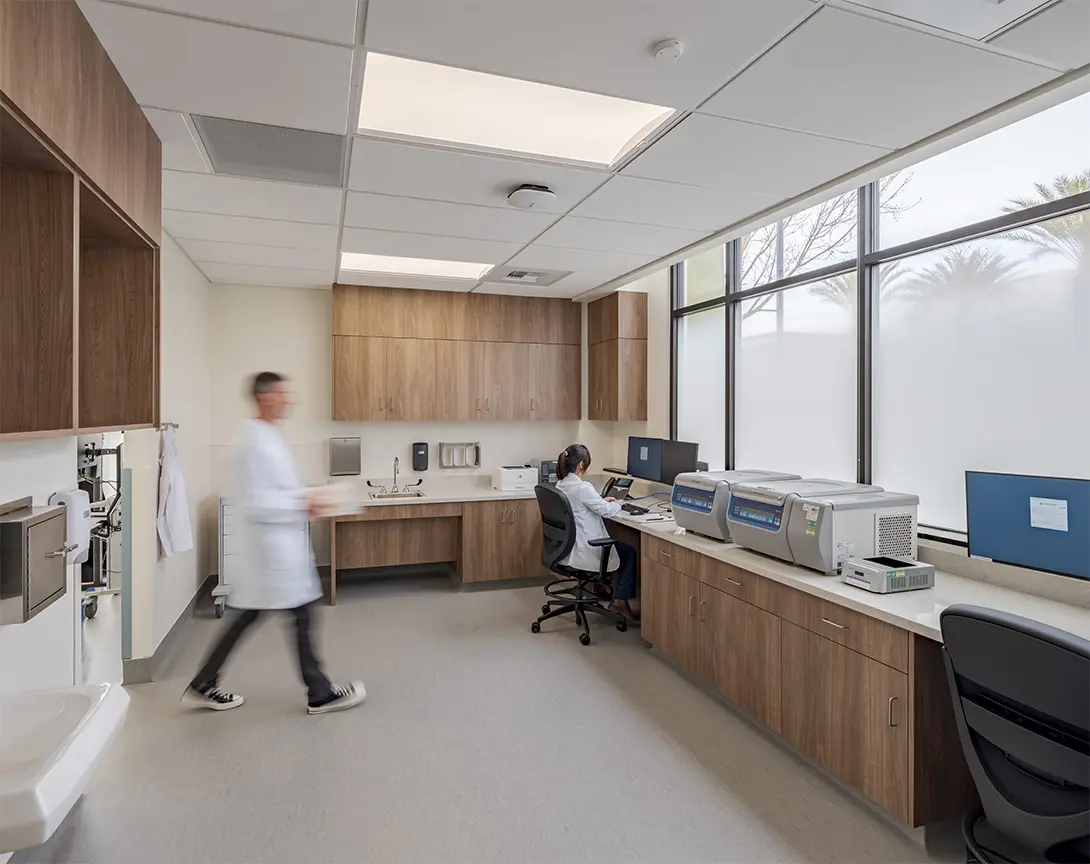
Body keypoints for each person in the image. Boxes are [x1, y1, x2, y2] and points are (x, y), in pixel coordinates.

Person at [182, 372, 365, 715]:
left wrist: (307, 497)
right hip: (271, 553)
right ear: (264, 397)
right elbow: (256, 502)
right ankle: (319, 692)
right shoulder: (252, 443)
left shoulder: (266, 437)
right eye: (282, 394)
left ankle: (203, 682)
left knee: (251, 617)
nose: (288, 400)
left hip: (276, 551)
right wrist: (305, 503)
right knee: (301, 617)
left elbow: (278, 491)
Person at [554, 444, 640, 621]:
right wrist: (619, 503)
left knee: (618, 546)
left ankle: (604, 590)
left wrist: (600, 500)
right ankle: (620, 602)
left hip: (565, 549)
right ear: (582, 465)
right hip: (586, 549)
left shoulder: (561, 485)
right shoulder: (583, 488)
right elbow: (608, 511)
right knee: (629, 553)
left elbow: (582, 505)